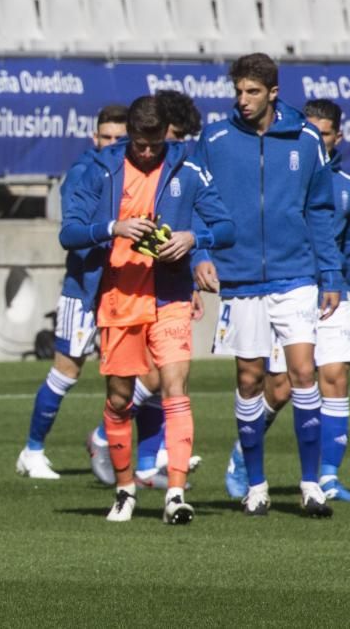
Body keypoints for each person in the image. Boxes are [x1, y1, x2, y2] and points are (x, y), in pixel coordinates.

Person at [60, 95, 234, 524]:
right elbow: (69, 233)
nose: (147, 152)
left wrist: (194, 239)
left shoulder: (187, 167)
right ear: (130, 136)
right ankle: (124, 490)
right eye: (139, 143)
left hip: (170, 296)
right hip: (119, 297)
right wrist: (112, 228)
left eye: (155, 144)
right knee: (119, 401)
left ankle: (175, 494)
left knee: (175, 388)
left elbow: (227, 227)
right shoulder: (99, 168)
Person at [193, 53, 341, 518]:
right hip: (239, 279)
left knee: (302, 372)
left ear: (273, 92)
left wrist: (331, 273)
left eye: (252, 92)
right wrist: (200, 254)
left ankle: (311, 484)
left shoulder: (305, 138)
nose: (243, 100)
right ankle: (255, 485)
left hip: (296, 274)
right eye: (238, 91)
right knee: (249, 378)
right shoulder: (214, 138)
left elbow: (319, 210)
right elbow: (196, 205)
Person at [223, 98, 350, 503]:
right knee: (283, 386)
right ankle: (242, 454)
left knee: (335, 376)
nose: (316, 140)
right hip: (287, 286)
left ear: (337, 137)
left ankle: (326, 479)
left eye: (324, 134)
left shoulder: (345, 189)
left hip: (332, 290)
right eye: (312, 132)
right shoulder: (280, 177)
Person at [15, 104, 128, 480]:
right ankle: (32, 450)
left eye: (119, 138)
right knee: (66, 371)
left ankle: (111, 442)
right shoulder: (82, 173)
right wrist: (114, 234)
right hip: (85, 289)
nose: (112, 144)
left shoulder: (135, 173)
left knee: (144, 374)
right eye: (106, 137)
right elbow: (74, 236)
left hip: (127, 289)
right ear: (94, 138)